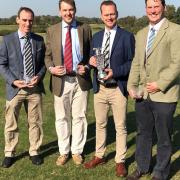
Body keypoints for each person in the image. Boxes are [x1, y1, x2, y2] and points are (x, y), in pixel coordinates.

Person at [127, 0, 180, 179]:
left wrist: (160, 84)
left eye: (156, 6)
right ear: (145, 9)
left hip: (164, 94)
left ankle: (160, 172)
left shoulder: (175, 30)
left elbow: (177, 64)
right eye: (150, 7)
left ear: (164, 8)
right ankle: (142, 166)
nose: (153, 10)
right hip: (143, 95)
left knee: (164, 136)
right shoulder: (141, 33)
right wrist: (131, 86)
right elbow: (136, 63)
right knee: (143, 133)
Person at [84, 0, 135, 177]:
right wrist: (90, 62)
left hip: (118, 88)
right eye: (106, 14)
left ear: (117, 14)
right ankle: (100, 155)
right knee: (100, 124)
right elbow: (94, 59)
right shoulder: (97, 37)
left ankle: (120, 161)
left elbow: (132, 63)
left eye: (112, 13)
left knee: (120, 126)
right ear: (101, 16)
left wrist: (115, 72)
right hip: (100, 89)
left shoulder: (127, 36)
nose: (109, 17)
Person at [45, 0, 92, 166]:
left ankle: (77, 151)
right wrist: (51, 69)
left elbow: (90, 55)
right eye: (64, 10)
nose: (68, 13)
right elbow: (47, 56)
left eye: (70, 10)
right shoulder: (52, 30)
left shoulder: (85, 28)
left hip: (80, 80)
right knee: (62, 118)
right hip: (60, 80)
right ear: (59, 11)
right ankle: (64, 151)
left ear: (75, 10)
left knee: (79, 117)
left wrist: (86, 66)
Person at [0, 7, 46, 168]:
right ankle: (9, 153)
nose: (28, 23)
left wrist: (39, 76)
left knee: (36, 122)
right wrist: (13, 81)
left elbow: (43, 65)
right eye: (24, 20)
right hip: (15, 90)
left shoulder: (39, 40)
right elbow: (2, 64)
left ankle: (34, 151)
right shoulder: (7, 40)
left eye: (31, 20)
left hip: (34, 89)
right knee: (11, 123)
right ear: (17, 20)